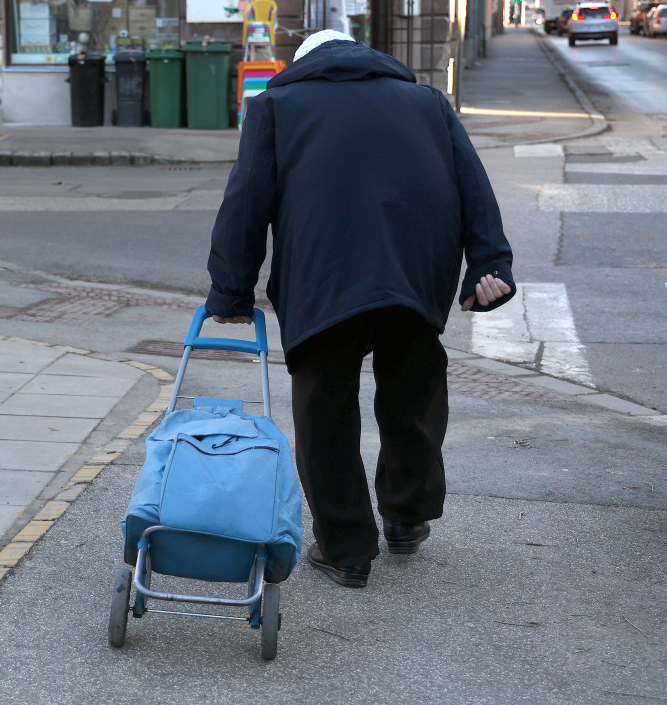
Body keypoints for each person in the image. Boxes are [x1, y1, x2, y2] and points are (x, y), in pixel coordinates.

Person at [205, 29, 515, 588]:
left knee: (324, 413)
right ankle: (407, 515)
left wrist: (231, 291)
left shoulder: (276, 106)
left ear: (304, 64)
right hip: (413, 272)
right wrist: (489, 265)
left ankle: (346, 551)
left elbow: (246, 200)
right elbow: (474, 185)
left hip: (323, 278)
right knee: (413, 396)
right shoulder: (426, 102)